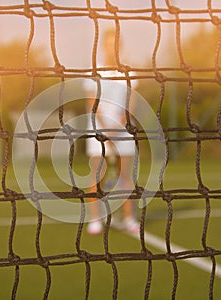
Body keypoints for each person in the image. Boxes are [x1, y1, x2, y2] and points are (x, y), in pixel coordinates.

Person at [84, 27, 140, 235]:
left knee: (125, 175)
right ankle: (95, 219)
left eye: (115, 43)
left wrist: (119, 126)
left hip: (123, 129)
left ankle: (128, 218)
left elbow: (131, 100)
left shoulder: (129, 71)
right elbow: (92, 101)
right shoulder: (95, 70)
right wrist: (105, 129)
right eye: (108, 43)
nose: (112, 47)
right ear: (103, 46)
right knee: (97, 175)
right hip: (98, 129)